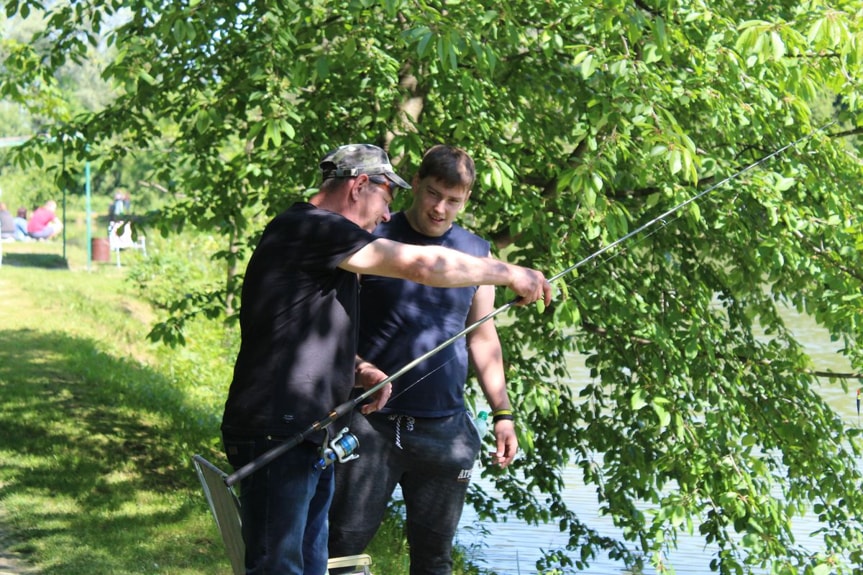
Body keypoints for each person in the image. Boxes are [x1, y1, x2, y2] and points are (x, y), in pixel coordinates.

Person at [220, 143, 552, 575]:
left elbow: (302, 324)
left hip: (308, 430)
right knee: (281, 567)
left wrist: (356, 368)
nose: (383, 218)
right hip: (278, 429)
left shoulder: (318, 237)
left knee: (309, 562)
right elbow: (423, 267)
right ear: (359, 185)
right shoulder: (314, 229)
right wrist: (509, 272)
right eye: (385, 201)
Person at [328, 145, 518, 575]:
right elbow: (335, 324)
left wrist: (502, 413)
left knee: (434, 559)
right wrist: (357, 368)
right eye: (433, 193)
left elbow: (483, 337)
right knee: (340, 546)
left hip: (445, 431)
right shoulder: (374, 236)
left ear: (466, 199)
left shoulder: (478, 253)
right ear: (414, 184)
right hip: (369, 423)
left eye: (454, 200)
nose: (440, 208)